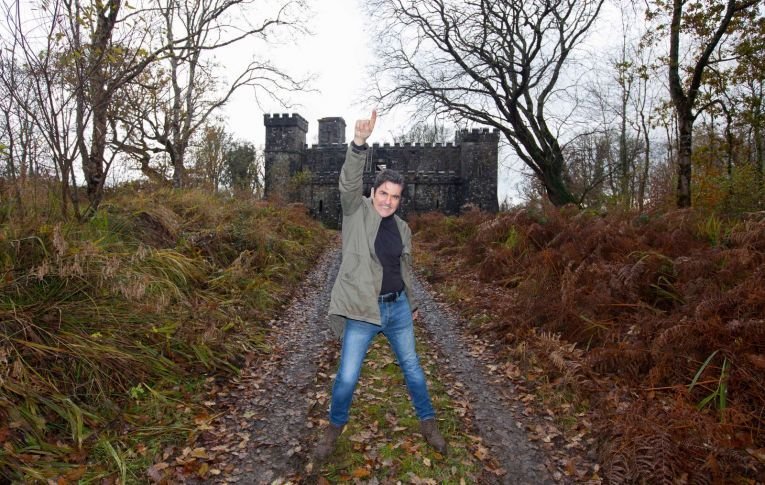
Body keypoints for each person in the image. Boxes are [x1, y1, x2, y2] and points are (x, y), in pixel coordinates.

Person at [313, 110, 447, 463]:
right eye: (384, 193)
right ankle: (334, 427)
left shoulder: (403, 229)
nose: (388, 200)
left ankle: (428, 423)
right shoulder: (355, 212)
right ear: (373, 192)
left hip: (397, 308)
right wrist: (359, 143)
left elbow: (403, 269)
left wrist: (411, 304)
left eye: (395, 196)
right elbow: (347, 183)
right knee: (347, 377)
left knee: (413, 369)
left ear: (401, 200)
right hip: (362, 310)